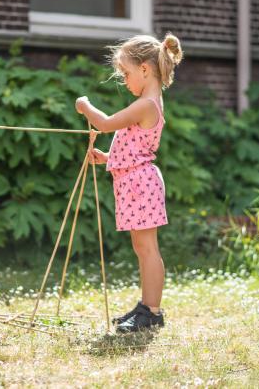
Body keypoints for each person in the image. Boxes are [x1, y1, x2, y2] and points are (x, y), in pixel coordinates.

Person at [75, 33, 183, 333]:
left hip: (141, 183)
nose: (124, 80)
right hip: (134, 181)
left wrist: (85, 106)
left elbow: (107, 123)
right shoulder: (147, 103)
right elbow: (135, 148)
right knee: (141, 246)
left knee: (147, 248)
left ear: (145, 69)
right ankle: (146, 307)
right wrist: (109, 157)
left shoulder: (147, 104)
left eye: (126, 73)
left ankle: (152, 311)